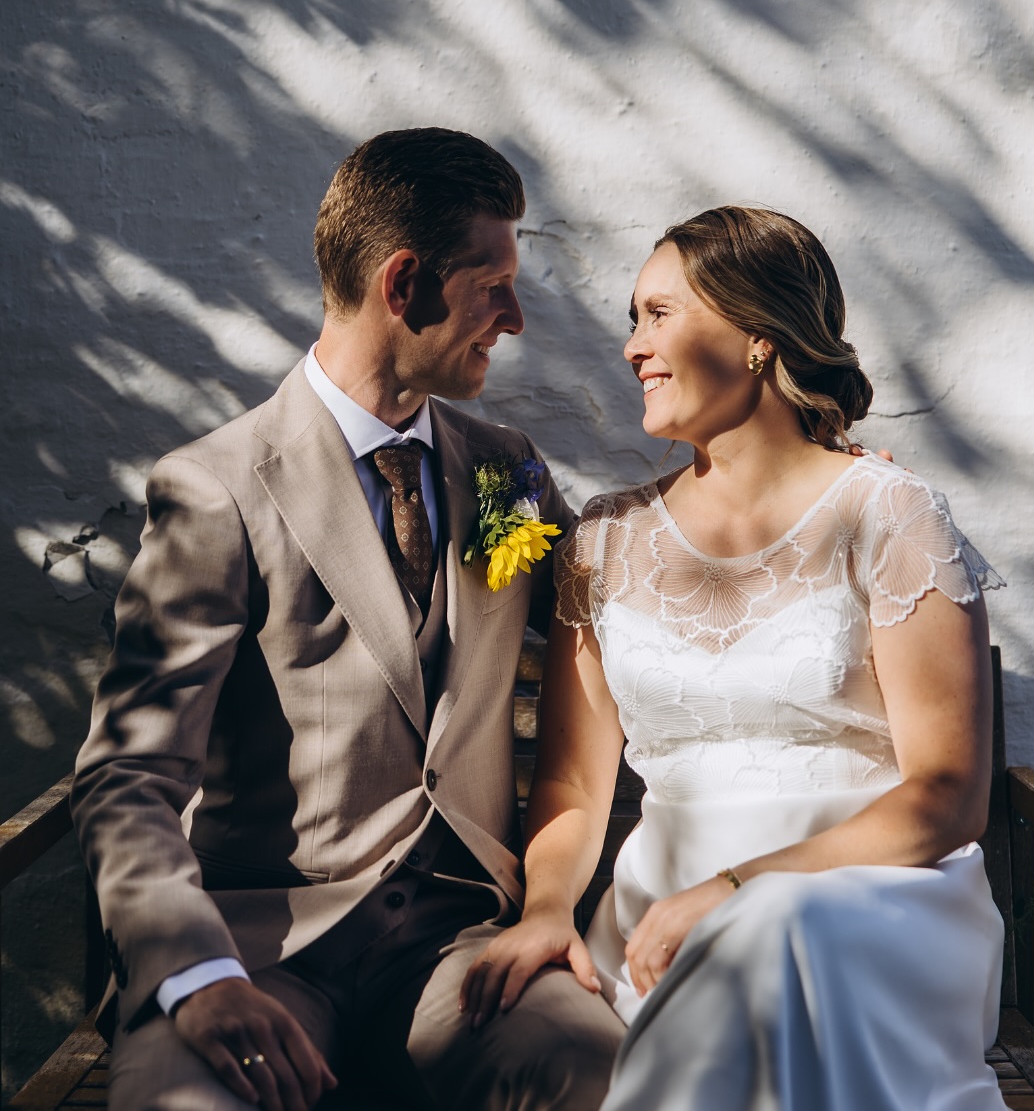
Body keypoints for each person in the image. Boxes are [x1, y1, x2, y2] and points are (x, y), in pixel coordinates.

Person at [71, 127, 624, 1111]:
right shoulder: (217, 489)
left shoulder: (502, 471)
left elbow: (627, 610)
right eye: (494, 285)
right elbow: (128, 776)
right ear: (402, 284)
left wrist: (807, 483)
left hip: (458, 949)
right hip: (259, 951)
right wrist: (199, 977)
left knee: (605, 1071)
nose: (514, 317)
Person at [462, 204, 1007, 1110]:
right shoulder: (604, 539)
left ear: (758, 336)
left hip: (872, 903)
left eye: (659, 314)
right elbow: (571, 782)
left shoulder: (888, 513)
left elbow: (949, 794)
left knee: (772, 932)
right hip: (660, 910)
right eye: (633, 319)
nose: (633, 346)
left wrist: (741, 888)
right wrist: (548, 911)